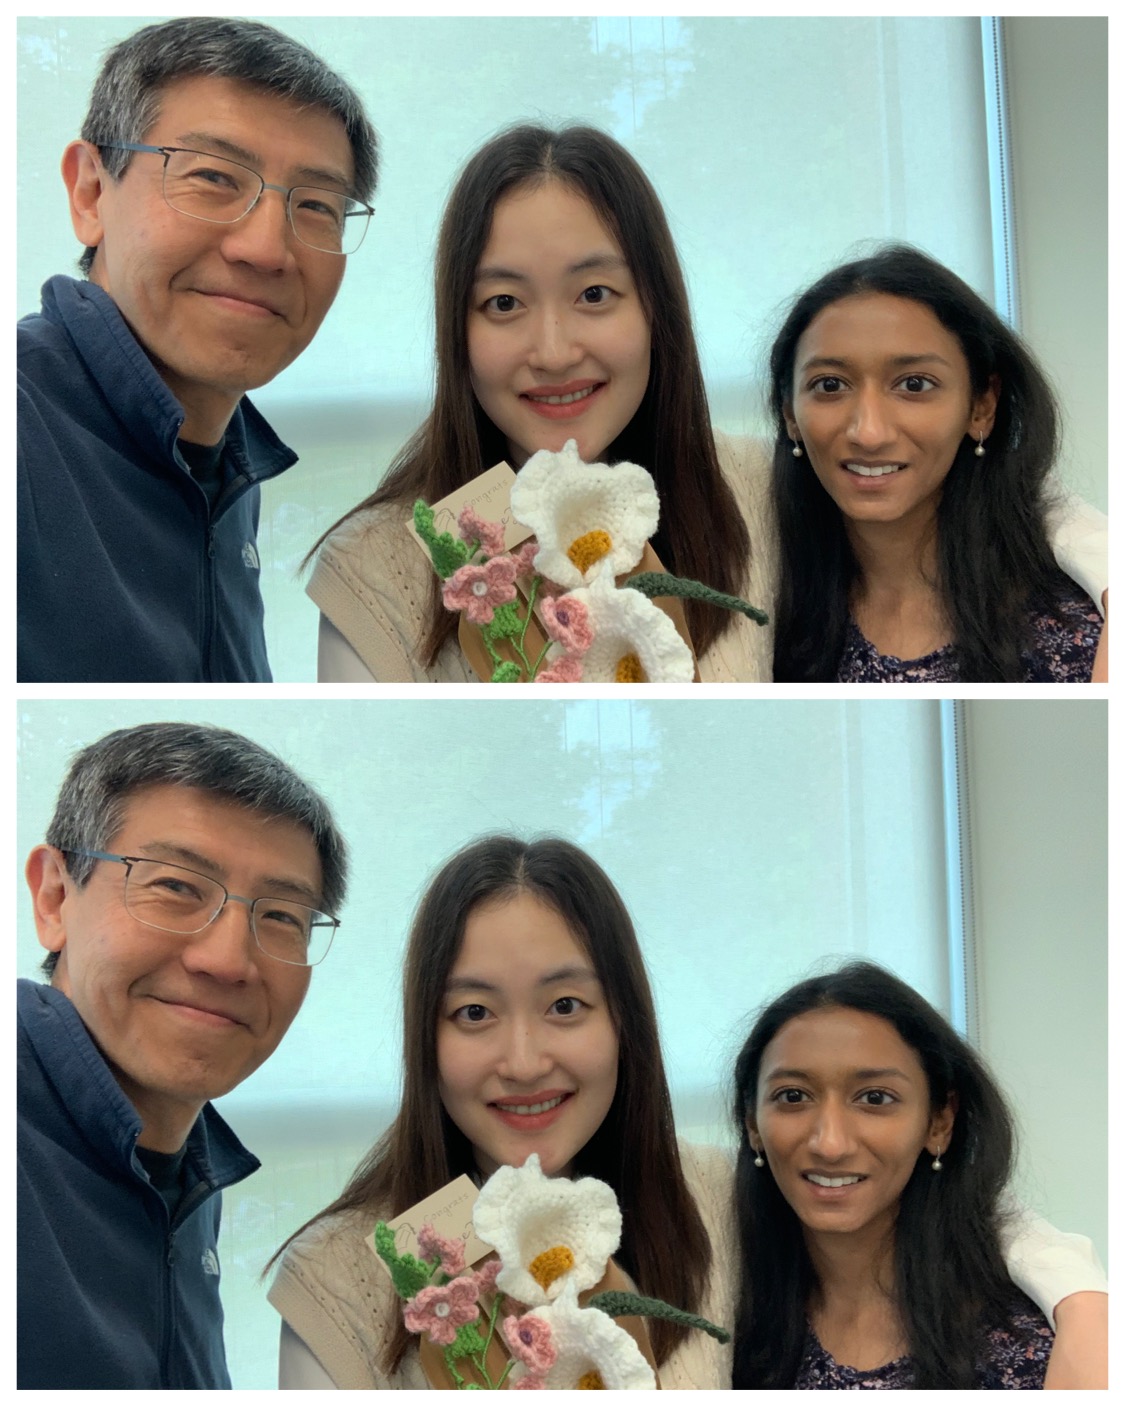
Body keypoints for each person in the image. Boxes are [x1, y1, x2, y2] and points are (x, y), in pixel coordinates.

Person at [267, 836, 1104, 1389]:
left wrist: (1082, 1301)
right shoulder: (338, 1272)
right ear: (425, 1035)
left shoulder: (709, 1193)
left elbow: (937, 1207)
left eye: (565, 1007)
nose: (523, 1062)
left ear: (623, 1021)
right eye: (474, 1014)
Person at [306, 123, 777, 683]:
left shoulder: (762, 488)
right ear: (456, 329)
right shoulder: (372, 569)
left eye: (595, 295)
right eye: (503, 302)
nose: (553, 353)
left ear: (658, 308)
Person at [17, 17, 379, 682]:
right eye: (213, 177)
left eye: (319, 207)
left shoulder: (225, 467)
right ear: (90, 192)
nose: (266, 248)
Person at [18, 721, 349, 1389]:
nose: (228, 961)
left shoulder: (187, 1169)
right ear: (55, 896)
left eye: (281, 916)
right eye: (174, 887)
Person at [732, 961, 1108, 1388]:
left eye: (875, 1098)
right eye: (793, 1096)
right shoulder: (723, 1317)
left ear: (939, 1123)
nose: (829, 1143)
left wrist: (1087, 1305)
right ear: (751, 1122)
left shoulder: (1034, 1350)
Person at [769, 245, 1106, 682]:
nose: (869, 432)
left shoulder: (1084, 636)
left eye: (914, 384)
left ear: (981, 406)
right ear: (790, 413)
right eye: (830, 385)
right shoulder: (762, 609)